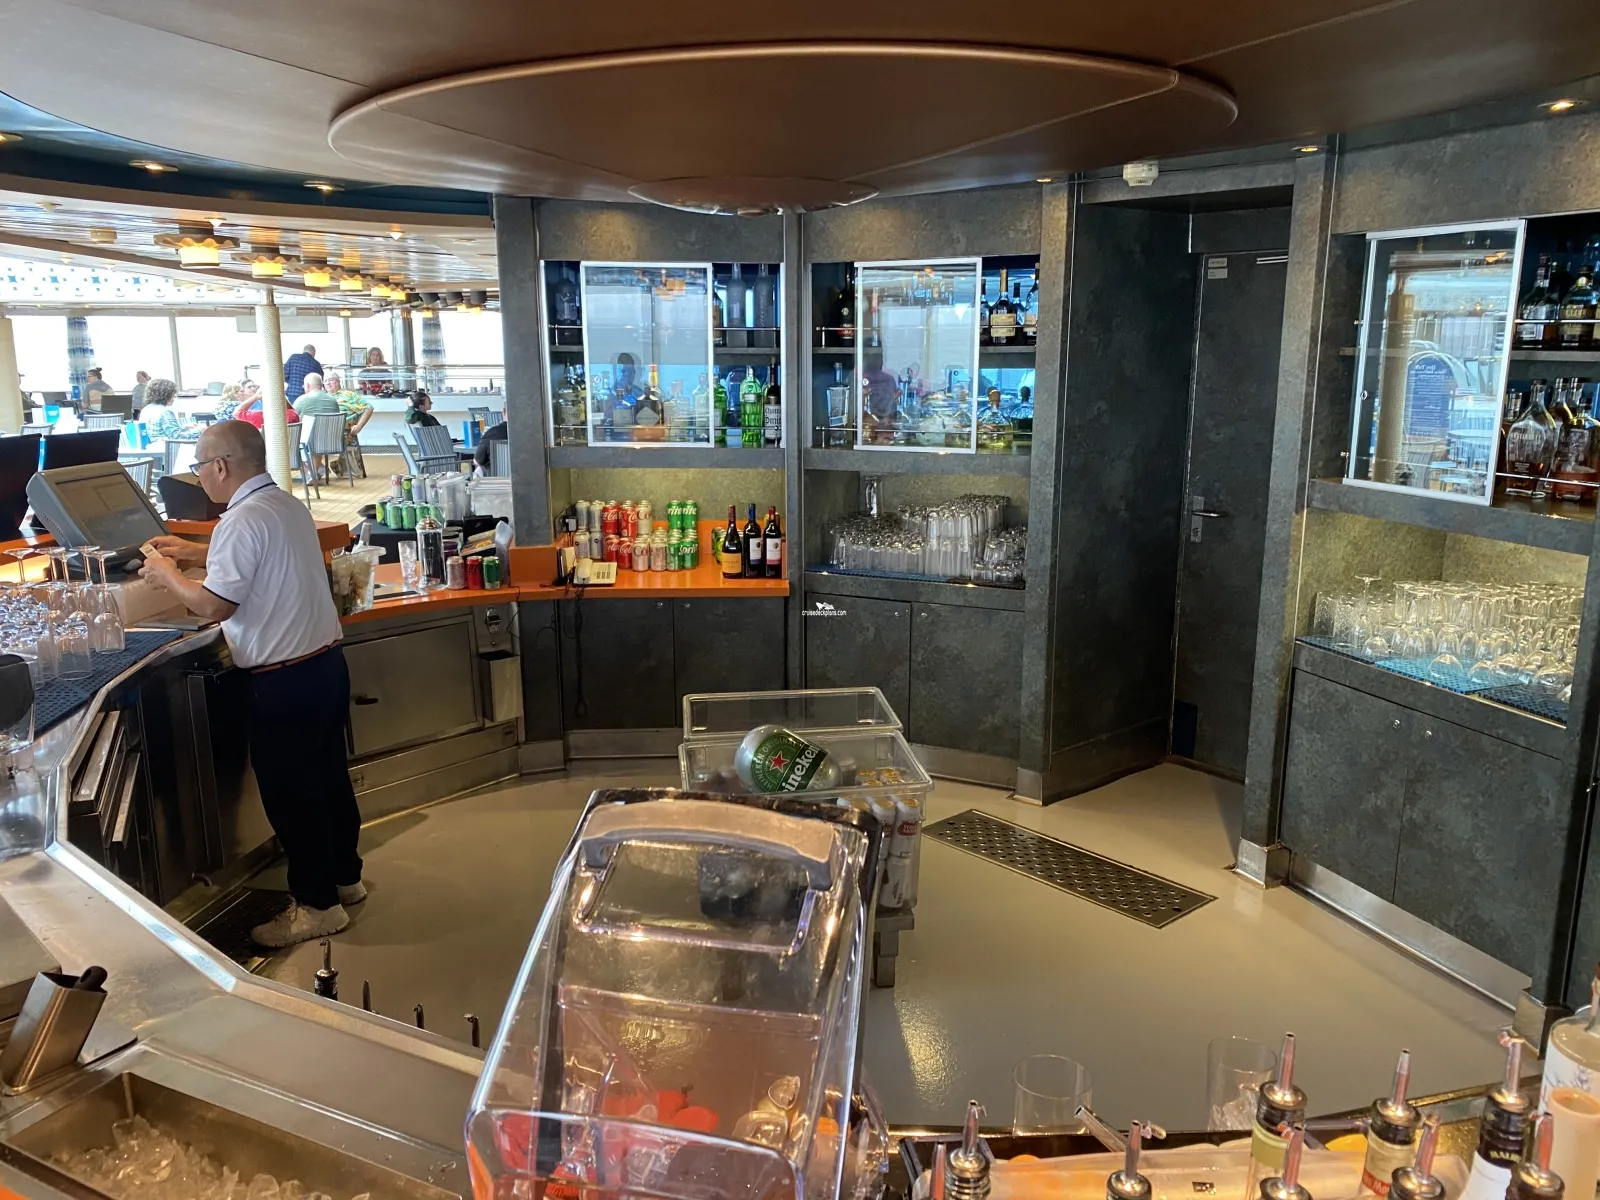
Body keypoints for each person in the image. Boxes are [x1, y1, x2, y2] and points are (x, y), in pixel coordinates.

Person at [138, 420, 363, 947]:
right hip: (324, 667)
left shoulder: (240, 522)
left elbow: (215, 605)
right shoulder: (284, 504)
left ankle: (317, 906)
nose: (199, 477)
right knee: (328, 779)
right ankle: (344, 878)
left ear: (220, 466)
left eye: (199, 467)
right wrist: (195, 553)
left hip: (283, 682)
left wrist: (168, 576)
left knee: (292, 795)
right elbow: (260, 554)